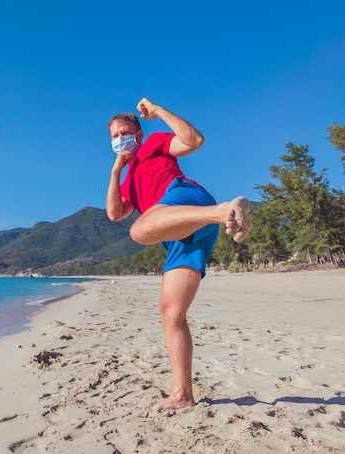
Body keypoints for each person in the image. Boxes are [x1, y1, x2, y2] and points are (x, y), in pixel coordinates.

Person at [106, 97, 252, 411]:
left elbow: (194, 140)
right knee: (171, 314)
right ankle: (183, 394)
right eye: (115, 136)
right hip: (184, 233)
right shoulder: (129, 180)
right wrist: (118, 170)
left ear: (139, 134)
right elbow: (115, 213)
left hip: (187, 198)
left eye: (125, 133)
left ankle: (223, 211)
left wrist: (158, 112)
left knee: (140, 230)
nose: (120, 139)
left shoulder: (153, 144)